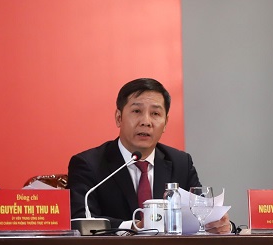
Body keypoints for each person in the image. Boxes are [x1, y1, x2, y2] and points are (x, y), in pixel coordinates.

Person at [68, 78, 233, 234]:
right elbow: (81, 220)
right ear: (118, 118)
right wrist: (134, 227)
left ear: (165, 123)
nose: (146, 121)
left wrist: (221, 225)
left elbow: (202, 212)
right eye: (136, 111)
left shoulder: (181, 163)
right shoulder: (88, 164)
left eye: (155, 113)